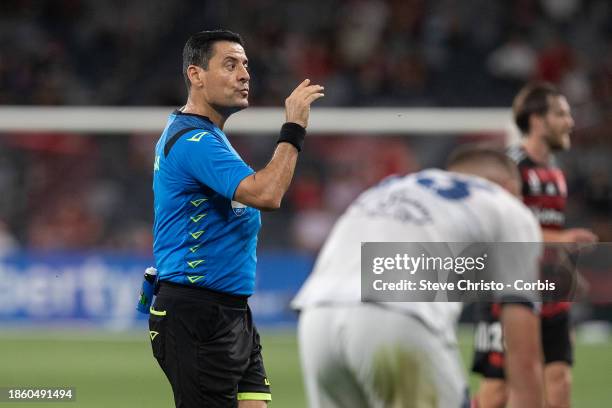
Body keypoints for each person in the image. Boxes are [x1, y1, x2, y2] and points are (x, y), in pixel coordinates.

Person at [149, 29, 324, 408]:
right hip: (197, 316)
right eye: (230, 65)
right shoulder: (196, 141)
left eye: (245, 65)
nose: (244, 74)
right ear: (196, 75)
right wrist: (293, 128)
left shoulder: (209, 136)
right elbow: (266, 193)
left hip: (230, 311)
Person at [292, 147, 545, 408]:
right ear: (509, 186)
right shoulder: (508, 208)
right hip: (397, 315)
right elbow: (522, 353)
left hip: (317, 317)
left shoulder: (395, 186)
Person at [472, 82, 598, 408]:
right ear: (538, 120)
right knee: (497, 392)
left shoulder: (555, 174)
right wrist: (564, 239)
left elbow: (545, 231)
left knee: (558, 379)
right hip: (507, 291)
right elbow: (501, 231)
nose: (570, 122)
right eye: (561, 114)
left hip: (549, 290)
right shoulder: (509, 167)